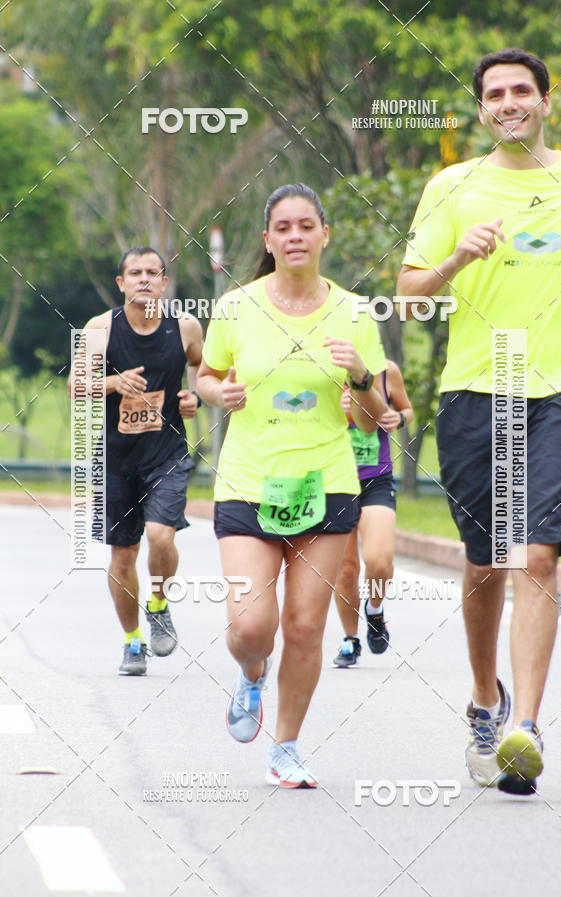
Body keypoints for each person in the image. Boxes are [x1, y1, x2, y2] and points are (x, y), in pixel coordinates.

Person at [397, 48, 561, 794]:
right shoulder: (453, 186)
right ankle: (488, 698)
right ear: (482, 109)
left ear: (546, 101)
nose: (509, 102)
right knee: (485, 565)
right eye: (495, 94)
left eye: (522, 90)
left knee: (539, 556)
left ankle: (528, 728)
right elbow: (411, 293)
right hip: (475, 392)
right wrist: (456, 258)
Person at [197, 183, 387, 789]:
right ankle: (251, 672)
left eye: (307, 225)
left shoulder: (357, 313)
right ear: (268, 240)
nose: (296, 236)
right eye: (284, 227)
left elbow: (373, 414)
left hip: (327, 483)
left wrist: (359, 375)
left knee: (306, 627)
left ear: (324, 234)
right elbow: (206, 374)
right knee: (252, 625)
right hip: (249, 482)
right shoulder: (235, 307)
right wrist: (215, 393)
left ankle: (287, 745)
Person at [68, 246, 204, 675]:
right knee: (123, 556)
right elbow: (76, 386)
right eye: (135, 272)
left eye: (153, 272)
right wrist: (113, 382)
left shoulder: (185, 327)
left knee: (162, 537)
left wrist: (194, 396)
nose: (144, 279)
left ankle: (159, 603)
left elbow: (203, 367)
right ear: (121, 283)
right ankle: (132, 642)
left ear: (165, 283)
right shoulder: (99, 329)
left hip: (166, 454)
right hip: (114, 459)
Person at [333, 359, 413, 667]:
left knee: (379, 561)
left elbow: (407, 410)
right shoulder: (320, 369)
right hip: (334, 479)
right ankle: (350, 639)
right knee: (346, 569)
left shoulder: (386, 371)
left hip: (376, 478)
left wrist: (398, 418)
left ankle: (375, 610)